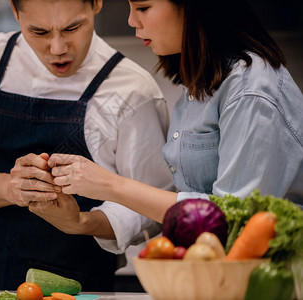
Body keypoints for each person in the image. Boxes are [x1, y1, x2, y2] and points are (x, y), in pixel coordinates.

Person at [28, 0, 303, 254]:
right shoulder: (203, 84)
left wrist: (109, 185)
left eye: (143, 8)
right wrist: (79, 220)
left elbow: (234, 220)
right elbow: (181, 201)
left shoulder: (251, 91)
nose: (132, 21)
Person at [0, 0, 173, 291]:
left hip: (81, 287)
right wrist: (11, 187)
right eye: (39, 32)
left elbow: (150, 211)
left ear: (96, 4)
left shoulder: (132, 89)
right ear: (14, 11)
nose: (58, 48)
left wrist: (81, 222)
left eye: (72, 27)